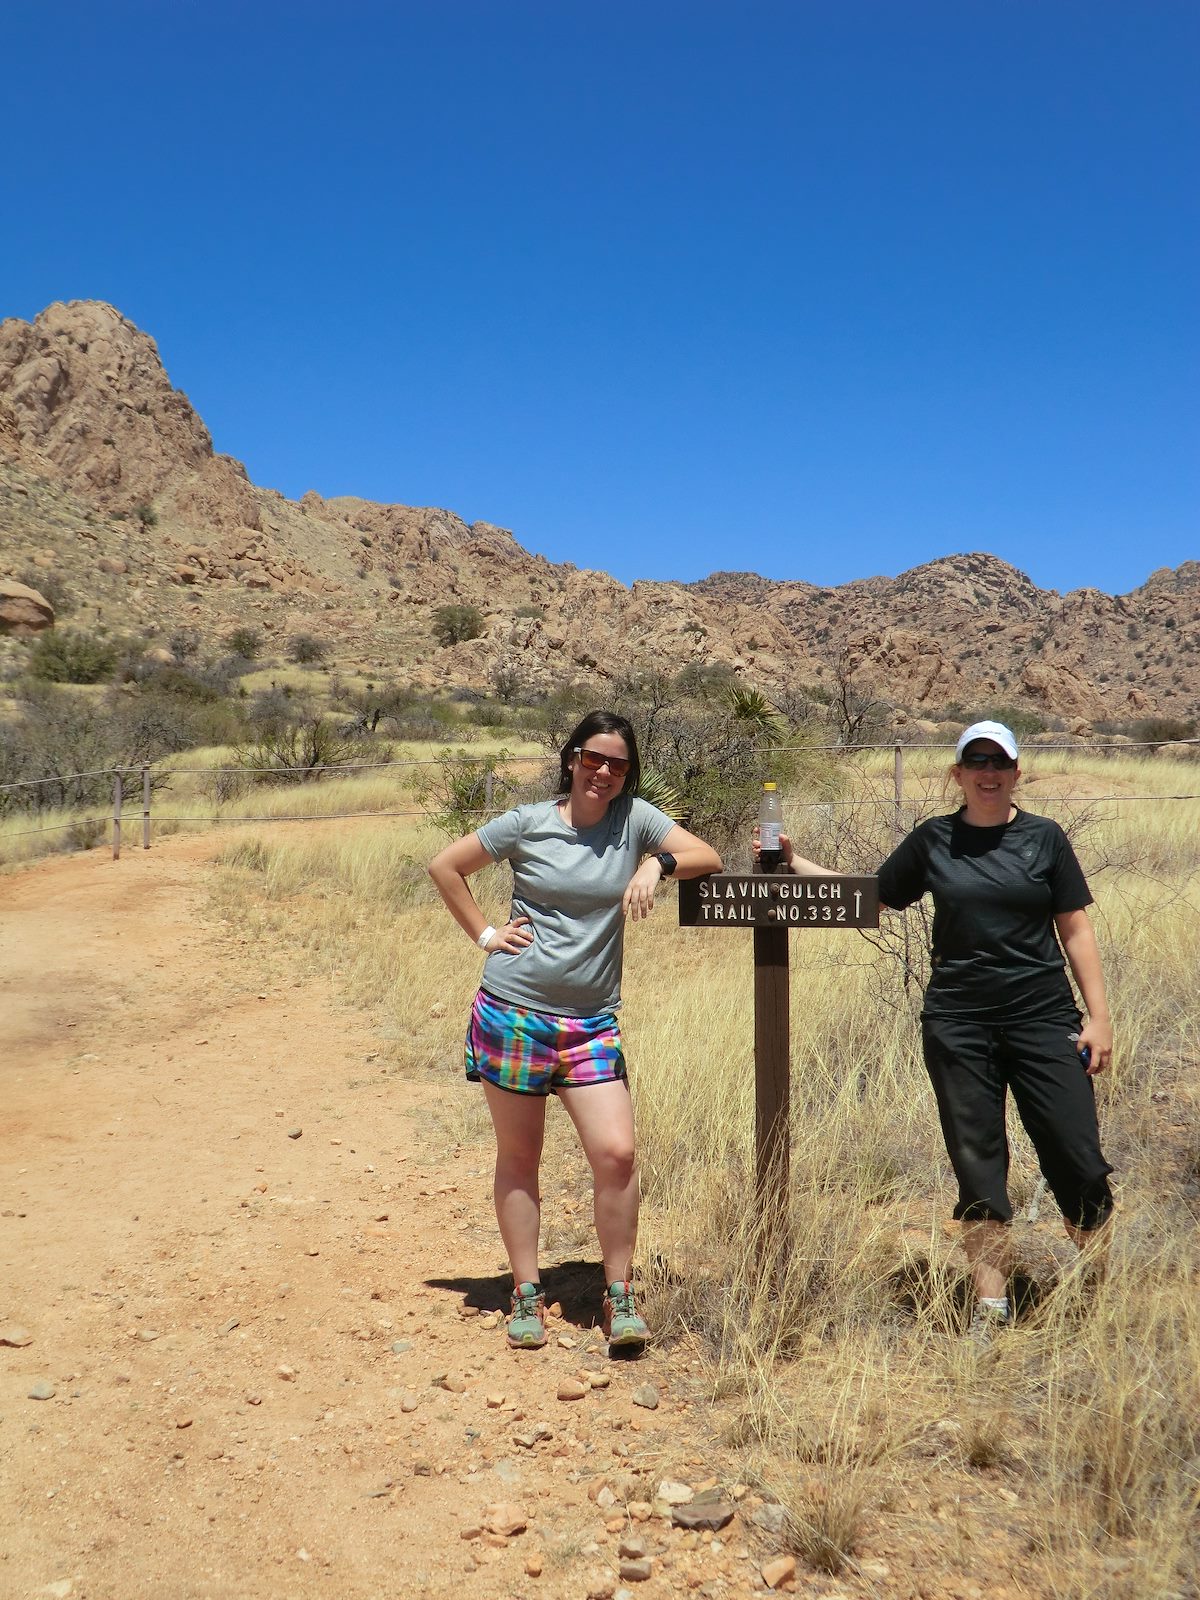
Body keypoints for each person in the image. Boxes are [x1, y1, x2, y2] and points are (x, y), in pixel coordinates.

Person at [760, 719, 1114, 1336]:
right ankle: (990, 1308)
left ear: (1015, 773)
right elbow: (871, 896)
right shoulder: (934, 840)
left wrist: (1099, 1017)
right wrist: (798, 865)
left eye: (998, 763)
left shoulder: (1045, 839)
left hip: (1043, 1018)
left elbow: (1075, 928)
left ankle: (1101, 1298)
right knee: (977, 1160)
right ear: (956, 773)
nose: (987, 773)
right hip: (959, 1023)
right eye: (975, 762)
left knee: (1077, 1156)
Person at [429, 710, 723, 1352]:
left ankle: (620, 1294)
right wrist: (486, 934)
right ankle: (527, 1292)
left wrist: (655, 867)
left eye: (617, 763)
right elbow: (446, 867)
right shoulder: (527, 823)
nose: (604, 772)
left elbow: (707, 854)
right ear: (572, 758)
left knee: (616, 1154)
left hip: (590, 1023)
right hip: (513, 1013)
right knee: (520, 1156)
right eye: (594, 758)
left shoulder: (635, 820)